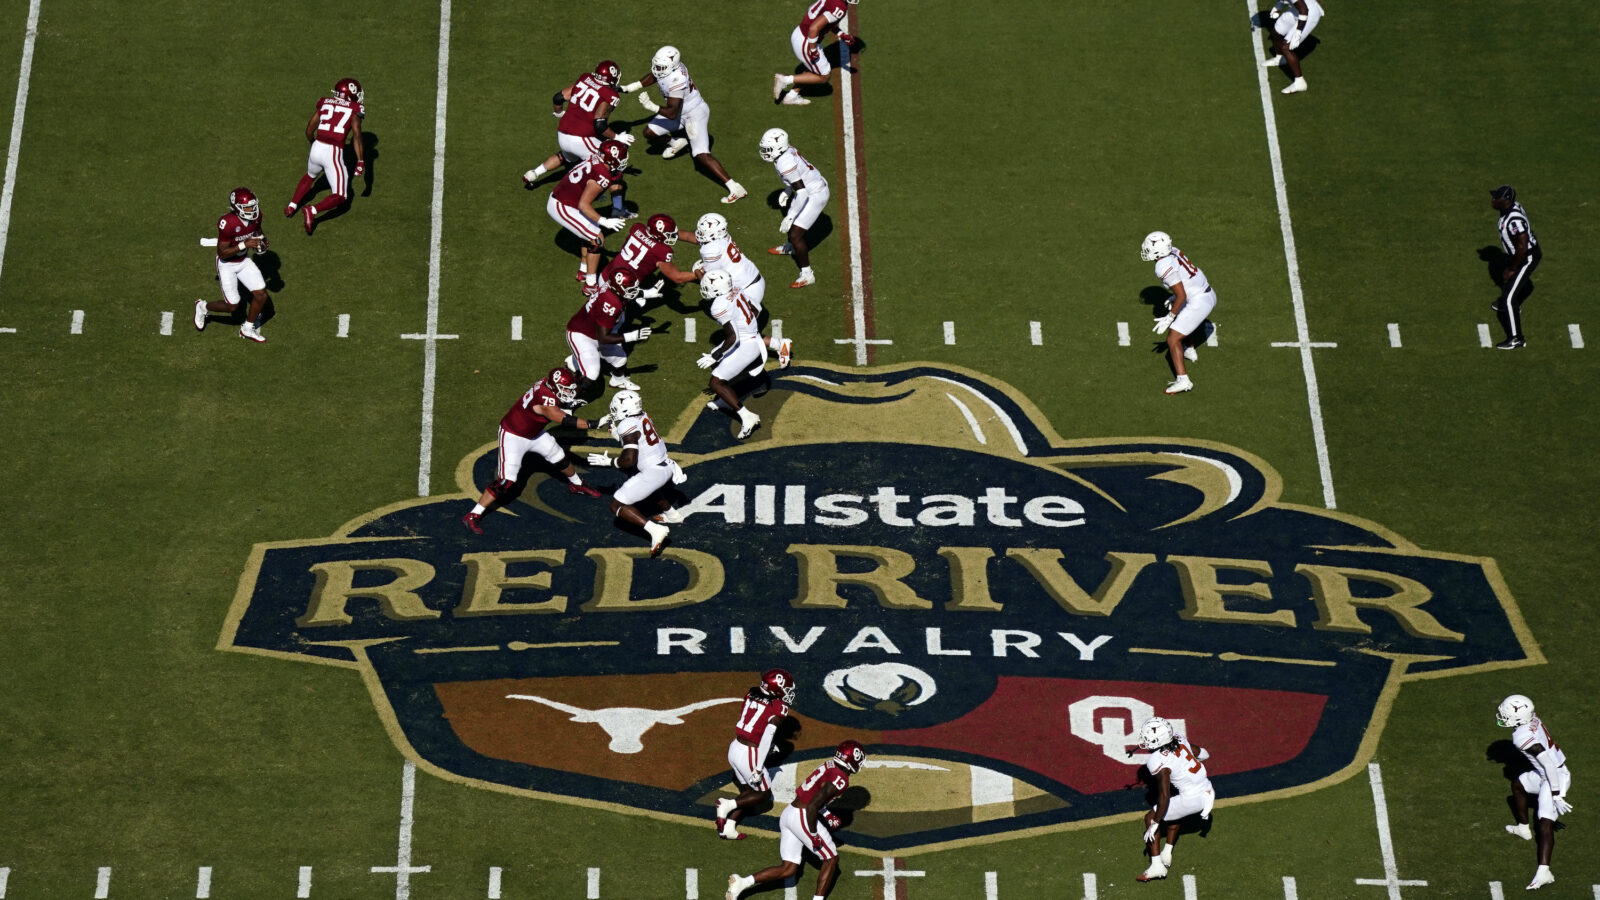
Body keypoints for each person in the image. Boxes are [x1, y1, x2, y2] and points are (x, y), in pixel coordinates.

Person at [462, 366, 604, 535]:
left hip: (534, 432)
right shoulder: (545, 399)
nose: (568, 392)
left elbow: (562, 398)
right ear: (555, 387)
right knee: (506, 481)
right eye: (565, 389)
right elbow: (564, 419)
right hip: (513, 435)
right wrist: (594, 423)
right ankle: (473, 515)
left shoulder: (548, 384)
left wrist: (576, 382)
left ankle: (577, 485)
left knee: (559, 456)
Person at [726, 740, 866, 900]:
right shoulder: (841, 779)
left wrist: (826, 814)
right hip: (803, 816)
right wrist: (813, 835)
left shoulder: (830, 765)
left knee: (788, 869)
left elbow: (813, 793)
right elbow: (813, 805)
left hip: (790, 813)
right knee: (831, 859)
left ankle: (742, 882)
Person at [619, 46, 747, 204]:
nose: (657, 69)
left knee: (701, 155)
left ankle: (735, 188)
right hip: (680, 112)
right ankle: (676, 142)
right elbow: (656, 75)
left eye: (661, 67)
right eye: (656, 65)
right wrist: (631, 87)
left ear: (672, 67)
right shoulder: (669, 69)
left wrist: (652, 106)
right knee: (649, 133)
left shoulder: (677, 79)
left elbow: (672, 112)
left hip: (694, 114)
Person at [523, 60, 635, 223]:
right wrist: (617, 137)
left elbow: (558, 98)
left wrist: (559, 113)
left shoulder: (585, 78)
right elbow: (600, 124)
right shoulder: (611, 96)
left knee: (566, 156)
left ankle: (533, 173)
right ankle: (617, 209)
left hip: (563, 133)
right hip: (581, 138)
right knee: (613, 165)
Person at [584, 390, 684, 556]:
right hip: (665, 466)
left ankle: (655, 530)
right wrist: (615, 432)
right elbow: (635, 438)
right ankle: (673, 515)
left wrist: (609, 462)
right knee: (648, 487)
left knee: (616, 505)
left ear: (625, 409)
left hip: (653, 471)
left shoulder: (627, 425)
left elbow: (629, 460)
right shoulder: (642, 415)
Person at [699, 271, 793, 440]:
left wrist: (717, 355)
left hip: (746, 345)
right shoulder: (735, 288)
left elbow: (733, 337)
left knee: (715, 382)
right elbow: (757, 308)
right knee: (717, 364)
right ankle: (725, 399)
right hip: (751, 336)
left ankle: (747, 417)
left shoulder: (718, 306)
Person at [1497, 694, 1571, 891]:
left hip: (1554, 776)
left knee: (1545, 823)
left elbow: (1548, 764)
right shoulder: (1533, 718)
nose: (1503, 717)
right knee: (1518, 786)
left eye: (1507, 714)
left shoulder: (1521, 737)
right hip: (1546, 773)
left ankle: (1544, 872)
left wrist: (1556, 793)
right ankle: (1523, 828)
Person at [714, 668, 797, 840]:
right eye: (785, 688)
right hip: (750, 753)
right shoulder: (779, 707)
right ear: (776, 688)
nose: (788, 692)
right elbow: (767, 737)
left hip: (735, 746)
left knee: (748, 791)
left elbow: (755, 720)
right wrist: (758, 769)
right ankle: (726, 804)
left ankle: (729, 827)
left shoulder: (751, 693)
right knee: (763, 794)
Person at [1133, 717, 1214, 883]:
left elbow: (1164, 796)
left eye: (1147, 737)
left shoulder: (1157, 760)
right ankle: (1167, 853)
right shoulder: (1178, 737)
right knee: (1174, 813)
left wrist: (1155, 823)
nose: (1144, 740)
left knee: (1150, 818)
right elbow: (1203, 753)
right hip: (1207, 790)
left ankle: (1157, 867)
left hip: (1193, 798)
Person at [547, 140, 631, 292]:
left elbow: (585, 180)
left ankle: (584, 271)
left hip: (568, 199)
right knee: (596, 239)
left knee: (590, 232)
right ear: (611, 159)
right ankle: (590, 285)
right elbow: (583, 205)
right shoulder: (603, 175)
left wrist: (594, 194)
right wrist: (605, 221)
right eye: (620, 158)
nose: (623, 162)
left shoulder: (595, 158)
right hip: (562, 205)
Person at [1142, 231, 1218, 395]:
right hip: (1205, 292)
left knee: (1172, 338)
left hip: (1199, 301)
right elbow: (1185, 278)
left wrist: (1169, 318)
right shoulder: (1173, 250)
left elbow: (1181, 296)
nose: (1146, 250)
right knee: (1181, 311)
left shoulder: (1162, 266)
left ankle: (1183, 381)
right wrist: (1176, 298)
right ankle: (1188, 349)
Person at [286, 78, 366, 235]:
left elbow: (309, 129)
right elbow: (357, 136)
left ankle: (291, 206)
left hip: (317, 147)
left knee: (310, 175)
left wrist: (313, 143)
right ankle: (312, 210)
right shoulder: (355, 108)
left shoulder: (325, 102)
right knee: (341, 196)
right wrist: (360, 161)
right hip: (333, 152)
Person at [196, 188, 272, 343]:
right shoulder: (227, 223)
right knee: (233, 305)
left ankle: (247, 328)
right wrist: (245, 244)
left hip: (243, 260)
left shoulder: (257, 216)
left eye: (253, 206)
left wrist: (261, 241)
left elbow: (257, 231)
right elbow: (222, 253)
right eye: (248, 207)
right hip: (227, 264)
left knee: (261, 294)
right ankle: (202, 307)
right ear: (237, 208)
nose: (253, 210)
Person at [760, 128, 830, 289]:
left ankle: (807, 274)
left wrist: (790, 215)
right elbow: (799, 175)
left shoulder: (785, 163)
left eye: (768, 149)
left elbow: (802, 192)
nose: (765, 152)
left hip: (815, 194)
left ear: (778, 148)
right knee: (794, 224)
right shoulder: (786, 151)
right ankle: (791, 247)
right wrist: (787, 190)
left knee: (795, 235)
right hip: (813, 186)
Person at [565, 268, 653, 391]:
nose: (633, 291)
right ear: (617, 289)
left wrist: (646, 293)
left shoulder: (611, 286)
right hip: (582, 335)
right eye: (630, 289)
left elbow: (626, 293)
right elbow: (603, 338)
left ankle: (618, 380)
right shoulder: (611, 303)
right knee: (592, 374)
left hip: (596, 330)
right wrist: (632, 336)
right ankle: (570, 396)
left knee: (620, 360)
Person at [773, 0, 862, 106]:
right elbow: (814, 28)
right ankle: (785, 79)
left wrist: (841, 34)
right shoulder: (839, 6)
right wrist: (813, 50)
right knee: (824, 76)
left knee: (813, 68)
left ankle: (791, 97)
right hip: (807, 40)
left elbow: (824, 21)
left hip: (801, 34)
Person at [601, 213, 698, 302]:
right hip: (621, 287)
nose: (672, 236)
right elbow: (677, 278)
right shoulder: (661, 251)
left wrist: (703, 238)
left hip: (606, 274)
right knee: (619, 314)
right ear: (658, 235)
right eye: (669, 234)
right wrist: (700, 273)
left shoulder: (637, 228)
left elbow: (681, 235)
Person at [1490, 185, 1541, 350]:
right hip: (1518, 255)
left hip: (1526, 257)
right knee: (1509, 286)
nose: (1493, 200)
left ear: (1506, 200)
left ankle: (1516, 339)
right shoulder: (1509, 209)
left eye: (1496, 197)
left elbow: (1522, 247)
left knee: (1508, 298)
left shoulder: (1514, 220)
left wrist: (1512, 268)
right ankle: (1510, 302)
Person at [693, 212, 768, 313]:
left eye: (702, 231)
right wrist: (675, 233)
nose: (699, 233)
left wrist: (697, 271)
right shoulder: (723, 236)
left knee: (719, 311)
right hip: (756, 279)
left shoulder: (710, 250)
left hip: (746, 291)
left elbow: (710, 284)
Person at [1261, 0, 1324, 95]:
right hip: (1297, 9)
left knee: (1286, 47)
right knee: (1276, 33)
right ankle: (1280, 59)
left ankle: (1300, 83)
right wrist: (1278, 7)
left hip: (1308, 13)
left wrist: (1298, 32)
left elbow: (1304, 10)